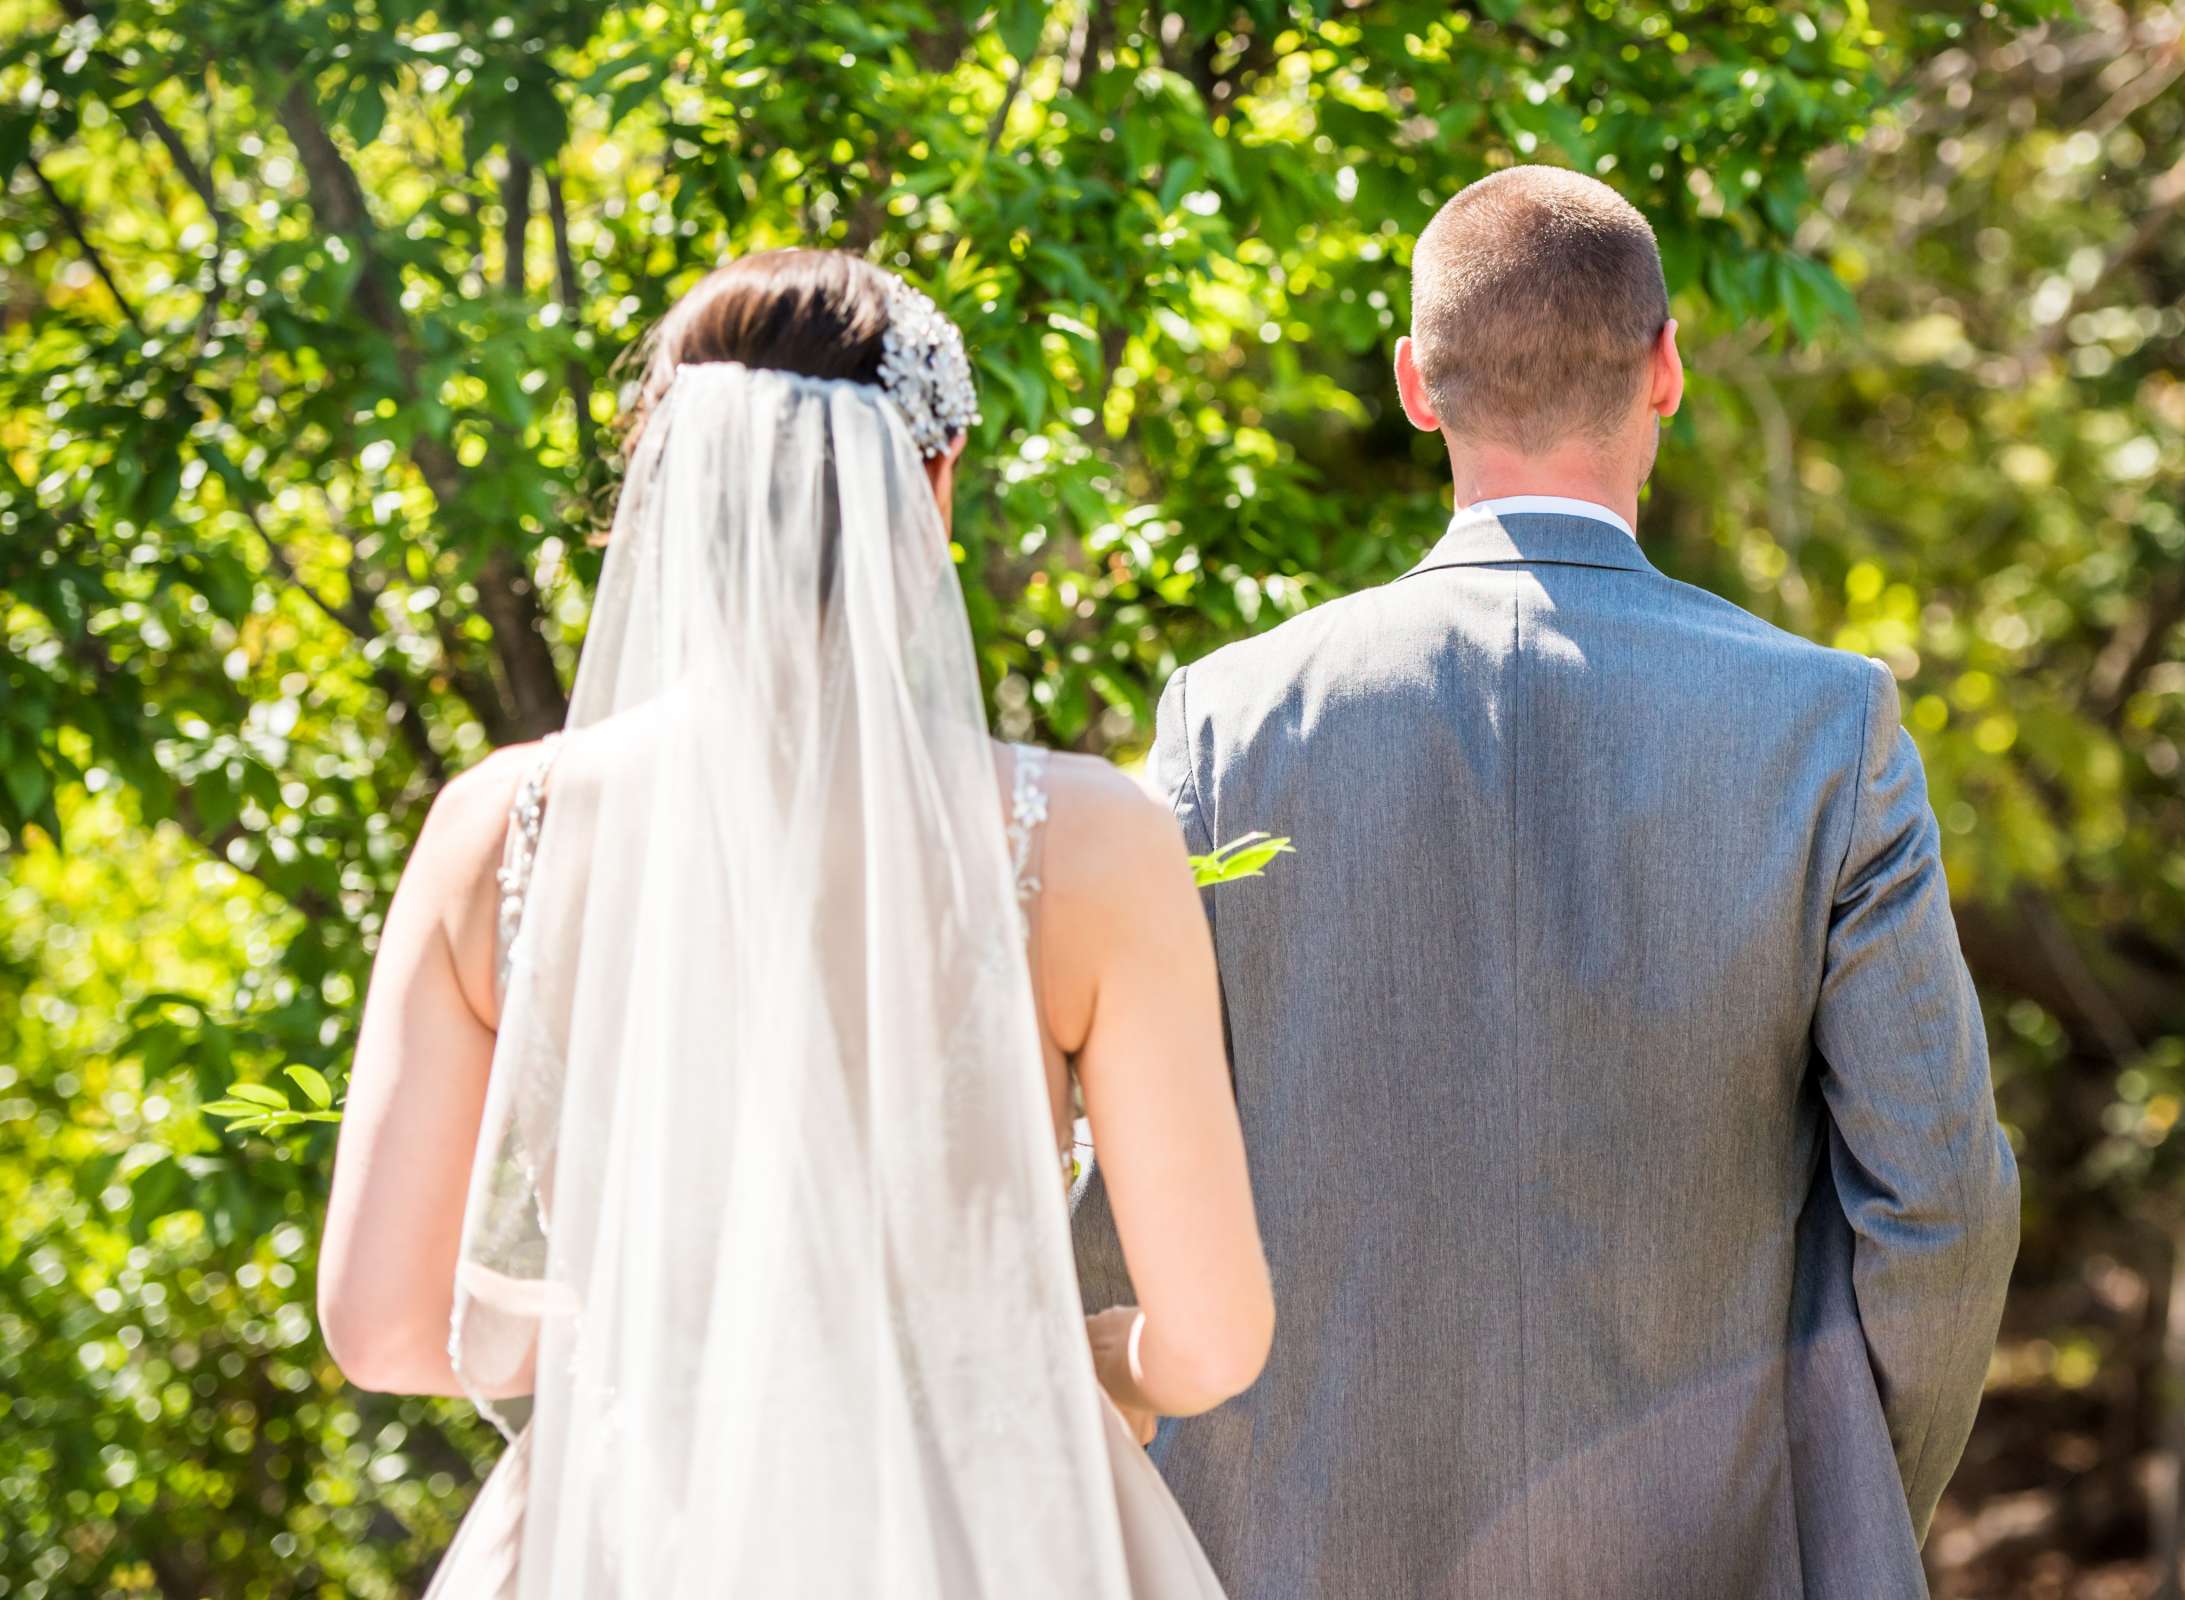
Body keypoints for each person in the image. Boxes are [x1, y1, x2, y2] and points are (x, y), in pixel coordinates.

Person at [1072, 165, 2020, 1599]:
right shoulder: (1830, 732)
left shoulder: (1229, 722)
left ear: (1413, 383)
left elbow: (1116, 1201)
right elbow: (1938, 1204)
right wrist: (1846, 1497)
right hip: (1720, 1554)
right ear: (1665, 369)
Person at [317, 249, 1273, 1597]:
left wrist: (623, 1327)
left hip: (630, 1535)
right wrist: (1096, 1357)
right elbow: (1214, 1337)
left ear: (663, 491)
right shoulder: (1092, 842)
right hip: (993, 1538)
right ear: (932, 492)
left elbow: (385, 1325)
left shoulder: (499, 829)